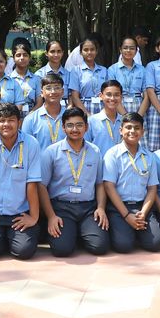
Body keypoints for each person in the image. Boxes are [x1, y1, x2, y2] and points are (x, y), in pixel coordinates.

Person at [0, 102, 44, 260]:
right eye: (1, 120)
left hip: (19, 212)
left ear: (19, 122)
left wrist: (33, 217)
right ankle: (4, 237)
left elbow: (32, 184)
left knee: (24, 251)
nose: (6, 124)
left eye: (11, 120)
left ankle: (11, 237)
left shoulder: (31, 143)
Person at [39, 106, 108, 256]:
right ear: (63, 128)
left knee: (100, 247)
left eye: (79, 125)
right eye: (70, 125)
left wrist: (101, 208)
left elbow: (100, 184)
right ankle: (70, 234)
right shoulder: (51, 152)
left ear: (86, 127)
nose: (75, 129)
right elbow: (42, 186)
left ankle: (78, 233)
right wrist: (51, 216)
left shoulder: (95, 151)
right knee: (62, 250)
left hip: (88, 208)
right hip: (61, 207)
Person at [101, 112, 160, 252]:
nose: (132, 131)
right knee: (123, 246)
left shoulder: (149, 157)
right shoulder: (112, 154)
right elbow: (109, 186)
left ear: (142, 131)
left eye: (137, 128)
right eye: (128, 127)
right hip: (119, 208)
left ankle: (136, 231)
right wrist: (126, 216)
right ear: (121, 130)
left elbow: (152, 188)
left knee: (156, 243)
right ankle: (128, 231)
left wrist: (143, 213)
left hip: (142, 206)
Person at [22, 72, 68, 150]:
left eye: (57, 88)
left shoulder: (70, 117)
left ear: (62, 92)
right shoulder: (30, 120)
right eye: (48, 88)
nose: (53, 92)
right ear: (42, 93)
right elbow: (26, 148)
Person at [107, 36, 146, 118]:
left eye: (132, 48)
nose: (128, 50)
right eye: (125, 48)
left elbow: (146, 96)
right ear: (120, 50)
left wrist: (139, 116)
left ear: (136, 51)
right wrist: (125, 116)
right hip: (119, 107)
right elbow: (112, 95)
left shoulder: (142, 70)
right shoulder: (112, 70)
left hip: (139, 108)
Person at [70, 36, 110, 115]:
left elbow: (108, 93)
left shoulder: (104, 70)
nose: (89, 52)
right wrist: (87, 114)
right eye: (86, 50)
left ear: (96, 51)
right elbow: (75, 97)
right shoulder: (76, 71)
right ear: (81, 52)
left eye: (92, 49)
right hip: (83, 108)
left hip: (103, 108)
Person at [2, 39, 40, 113]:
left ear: (29, 58)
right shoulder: (7, 79)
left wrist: (30, 116)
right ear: (13, 58)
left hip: (32, 115)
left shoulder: (36, 79)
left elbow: (39, 102)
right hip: (12, 115)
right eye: (18, 55)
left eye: (25, 55)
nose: (22, 58)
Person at [88, 79, 126, 152]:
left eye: (116, 95)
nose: (112, 98)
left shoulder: (124, 121)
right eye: (108, 94)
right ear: (101, 96)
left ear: (121, 97)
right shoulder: (91, 121)